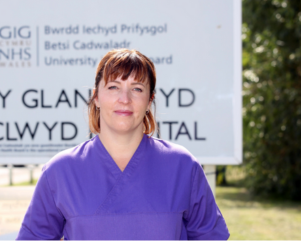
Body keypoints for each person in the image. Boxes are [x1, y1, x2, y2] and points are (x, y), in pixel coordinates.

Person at [17, 49, 230, 240]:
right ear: (96, 97)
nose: (124, 99)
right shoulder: (61, 170)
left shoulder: (182, 166)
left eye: (137, 89)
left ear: (149, 100)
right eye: (113, 87)